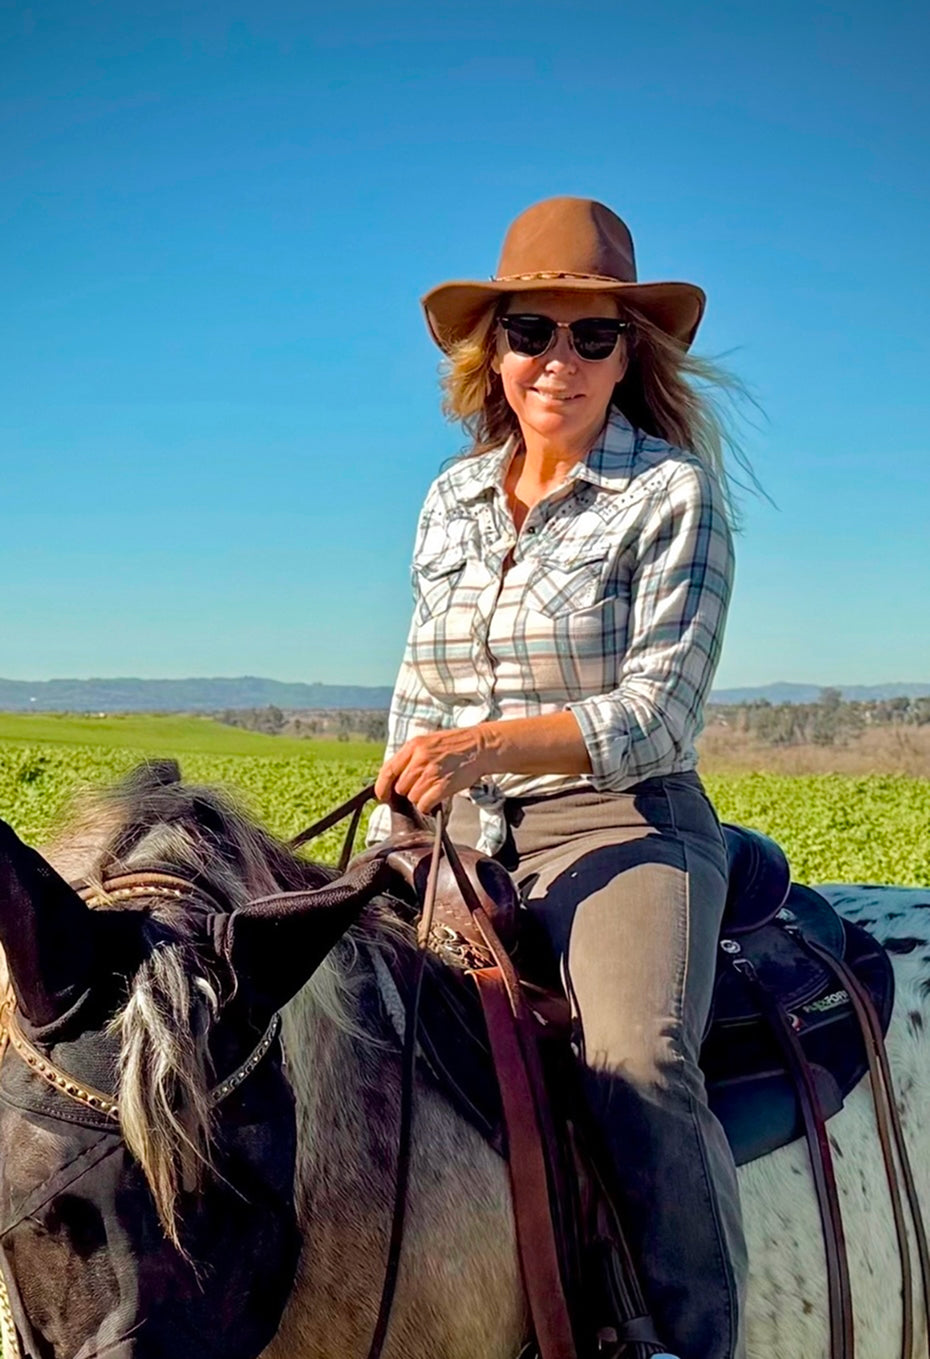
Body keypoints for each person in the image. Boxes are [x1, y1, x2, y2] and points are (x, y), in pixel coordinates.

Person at [367, 195, 748, 1359]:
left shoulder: (669, 496)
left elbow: (655, 715)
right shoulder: (451, 499)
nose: (560, 362)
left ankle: (689, 1335)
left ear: (630, 353)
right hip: (458, 832)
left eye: (596, 336)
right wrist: (389, 815)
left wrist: (485, 748)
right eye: (534, 330)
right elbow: (421, 688)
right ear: (497, 348)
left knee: (635, 1058)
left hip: (622, 822)